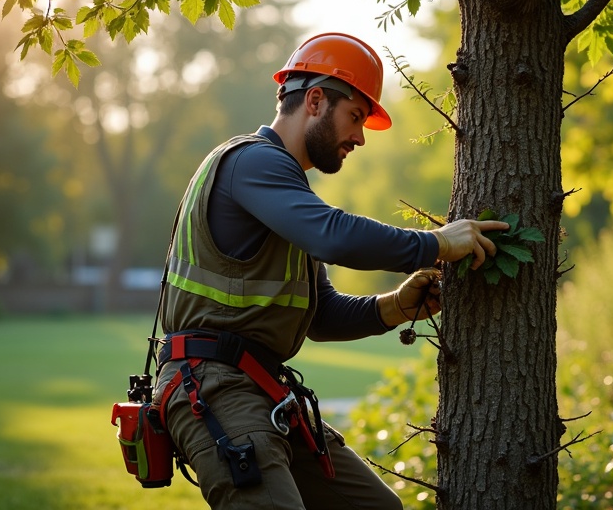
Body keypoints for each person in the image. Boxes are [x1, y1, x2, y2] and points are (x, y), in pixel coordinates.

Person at [151, 32, 508, 510]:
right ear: (315, 100)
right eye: (355, 117)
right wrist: (438, 244)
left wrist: (395, 306)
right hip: (213, 387)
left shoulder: (285, 196)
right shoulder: (253, 164)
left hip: (259, 386)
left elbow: (321, 316)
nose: (359, 137)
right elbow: (334, 235)